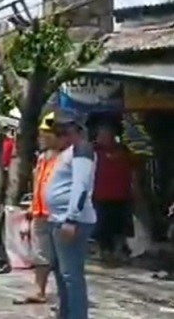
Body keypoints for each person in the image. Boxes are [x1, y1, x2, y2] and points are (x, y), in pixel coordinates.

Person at [44, 110, 96, 319]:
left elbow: (81, 186)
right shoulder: (69, 151)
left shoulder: (82, 150)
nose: (56, 137)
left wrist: (71, 218)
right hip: (58, 219)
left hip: (71, 220)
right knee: (62, 274)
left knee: (71, 276)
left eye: (60, 132)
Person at [15, 112, 59, 305]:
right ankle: (40, 290)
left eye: (46, 133)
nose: (42, 137)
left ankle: (65, 296)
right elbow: (38, 184)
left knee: (61, 259)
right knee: (40, 255)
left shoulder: (67, 158)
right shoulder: (42, 158)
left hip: (58, 216)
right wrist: (32, 206)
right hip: (40, 213)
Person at [92, 122, 136, 264]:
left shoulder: (124, 151)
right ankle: (104, 251)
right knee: (101, 227)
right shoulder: (93, 152)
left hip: (121, 196)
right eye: (100, 135)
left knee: (120, 227)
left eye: (105, 135)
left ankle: (119, 251)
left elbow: (134, 169)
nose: (102, 138)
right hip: (100, 196)